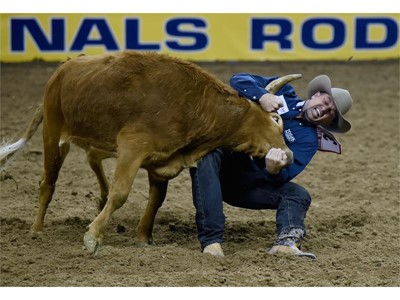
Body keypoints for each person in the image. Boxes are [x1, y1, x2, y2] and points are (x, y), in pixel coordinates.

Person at [189, 73, 353, 259]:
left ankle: (287, 243)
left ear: (328, 122)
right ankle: (212, 241)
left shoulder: (308, 140)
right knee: (208, 151)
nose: (324, 110)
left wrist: (273, 169)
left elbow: (285, 174)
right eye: (326, 102)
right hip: (218, 165)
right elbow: (239, 79)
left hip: (247, 184)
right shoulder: (283, 91)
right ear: (316, 95)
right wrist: (263, 96)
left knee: (298, 194)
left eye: (330, 112)